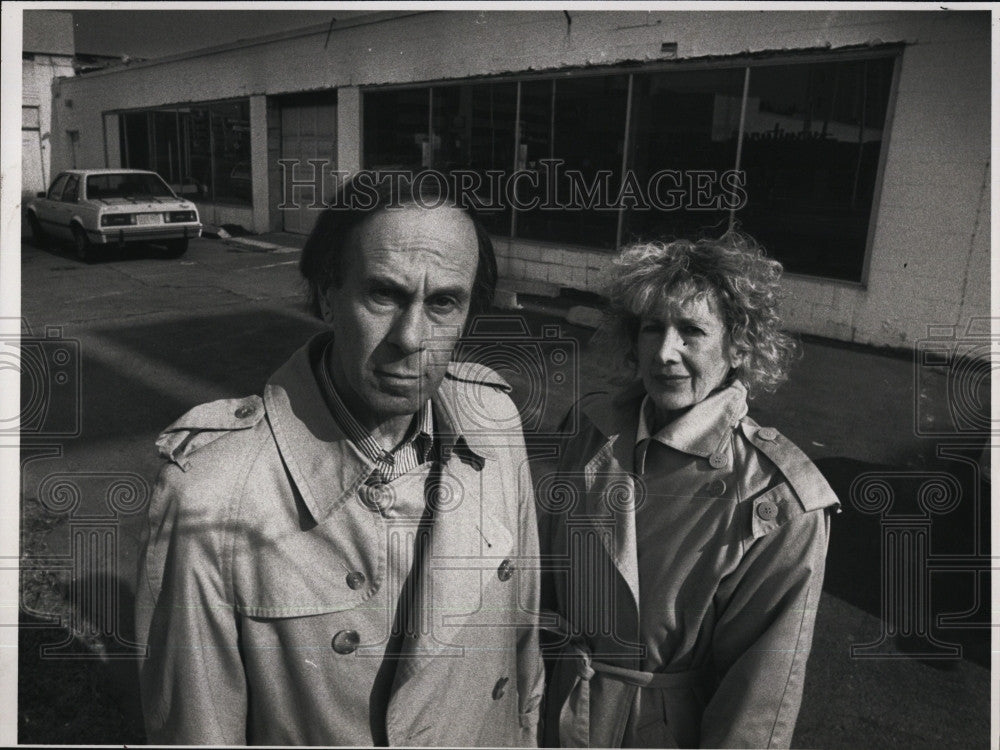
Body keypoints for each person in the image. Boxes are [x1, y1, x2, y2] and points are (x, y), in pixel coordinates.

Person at [136, 175, 544, 746]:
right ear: (328, 295)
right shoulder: (212, 493)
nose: (412, 337)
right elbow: (195, 729)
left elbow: (520, 643)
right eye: (384, 295)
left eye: (444, 302)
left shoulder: (494, 423)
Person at [540, 233, 840, 748]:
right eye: (652, 327)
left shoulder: (781, 501)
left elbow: (756, 705)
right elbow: (542, 581)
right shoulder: (589, 428)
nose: (664, 352)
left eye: (692, 331)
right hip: (552, 710)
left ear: (739, 346)